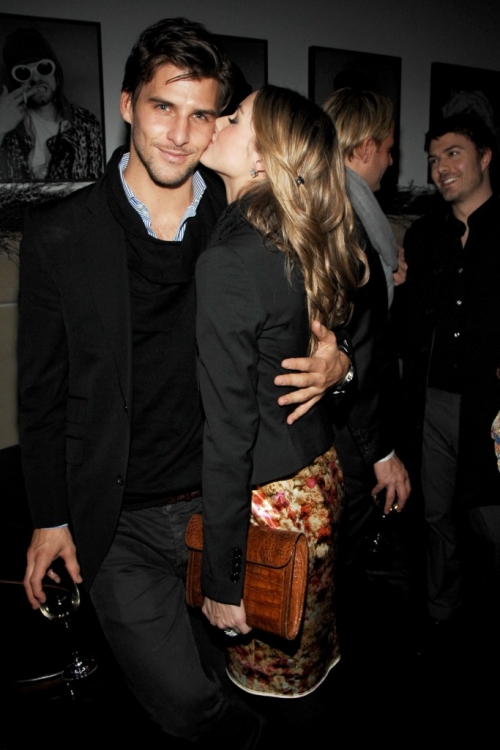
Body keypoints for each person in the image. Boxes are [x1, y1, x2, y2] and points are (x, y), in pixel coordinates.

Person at [19, 18, 351, 746]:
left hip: (223, 505)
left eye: (203, 114)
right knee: (184, 704)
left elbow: (334, 290)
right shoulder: (60, 235)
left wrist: (339, 360)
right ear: (127, 105)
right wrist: (49, 517)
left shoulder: (240, 214)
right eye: (163, 106)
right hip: (119, 520)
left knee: (242, 678)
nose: (180, 133)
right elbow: (40, 395)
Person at [196, 85, 364, 699]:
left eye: (236, 116)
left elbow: (229, 433)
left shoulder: (233, 259)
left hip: (269, 503)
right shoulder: (291, 237)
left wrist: (223, 578)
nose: (219, 119)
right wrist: (341, 365)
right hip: (318, 479)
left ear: (265, 158)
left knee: (274, 689)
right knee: (309, 662)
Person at [401, 114, 500, 634]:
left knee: (491, 518)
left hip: (494, 405)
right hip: (434, 400)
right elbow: (405, 323)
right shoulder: (423, 236)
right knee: (435, 515)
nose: (441, 167)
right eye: (434, 159)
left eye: (453, 153)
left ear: (485, 156)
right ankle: (442, 615)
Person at [322, 88, 410, 578]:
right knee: (345, 564)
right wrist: (381, 452)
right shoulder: (349, 221)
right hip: (349, 427)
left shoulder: (334, 207)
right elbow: (359, 345)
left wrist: (386, 279)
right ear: (365, 147)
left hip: (338, 422)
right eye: (389, 149)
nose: (391, 162)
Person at [0, 27, 103, 181]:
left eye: (43, 68)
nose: (36, 79)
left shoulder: (86, 124)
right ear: (16, 83)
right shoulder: (8, 126)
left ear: (56, 75)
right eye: (23, 72)